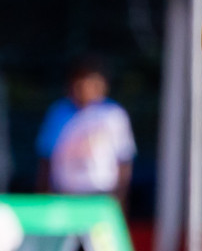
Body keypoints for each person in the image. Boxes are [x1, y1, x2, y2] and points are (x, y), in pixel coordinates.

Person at [35, 57, 135, 209]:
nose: (83, 88)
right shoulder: (59, 113)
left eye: (90, 82)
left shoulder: (114, 115)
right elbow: (46, 158)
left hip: (102, 196)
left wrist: (120, 198)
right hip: (65, 195)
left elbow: (124, 159)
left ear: (102, 85)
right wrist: (44, 196)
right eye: (79, 82)